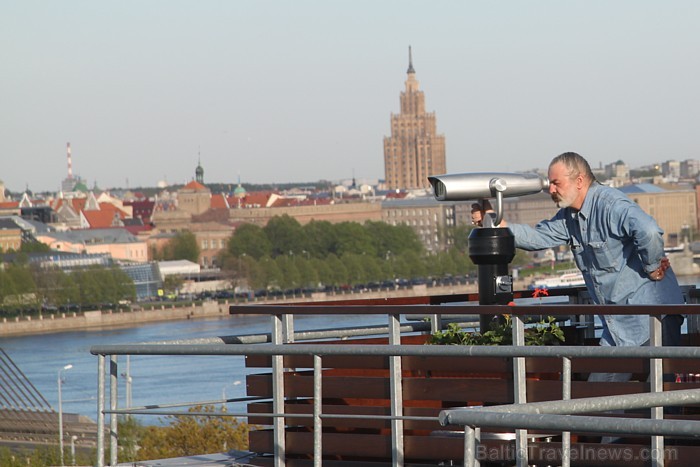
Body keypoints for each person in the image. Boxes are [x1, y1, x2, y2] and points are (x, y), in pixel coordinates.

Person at [472, 152, 684, 382]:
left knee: (659, 399)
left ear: (579, 181)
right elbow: (537, 237)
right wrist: (495, 221)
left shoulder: (610, 204)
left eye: (556, 183)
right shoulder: (569, 218)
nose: (551, 190)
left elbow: (648, 230)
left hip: (654, 316)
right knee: (601, 393)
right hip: (620, 325)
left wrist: (653, 266)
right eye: (550, 183)